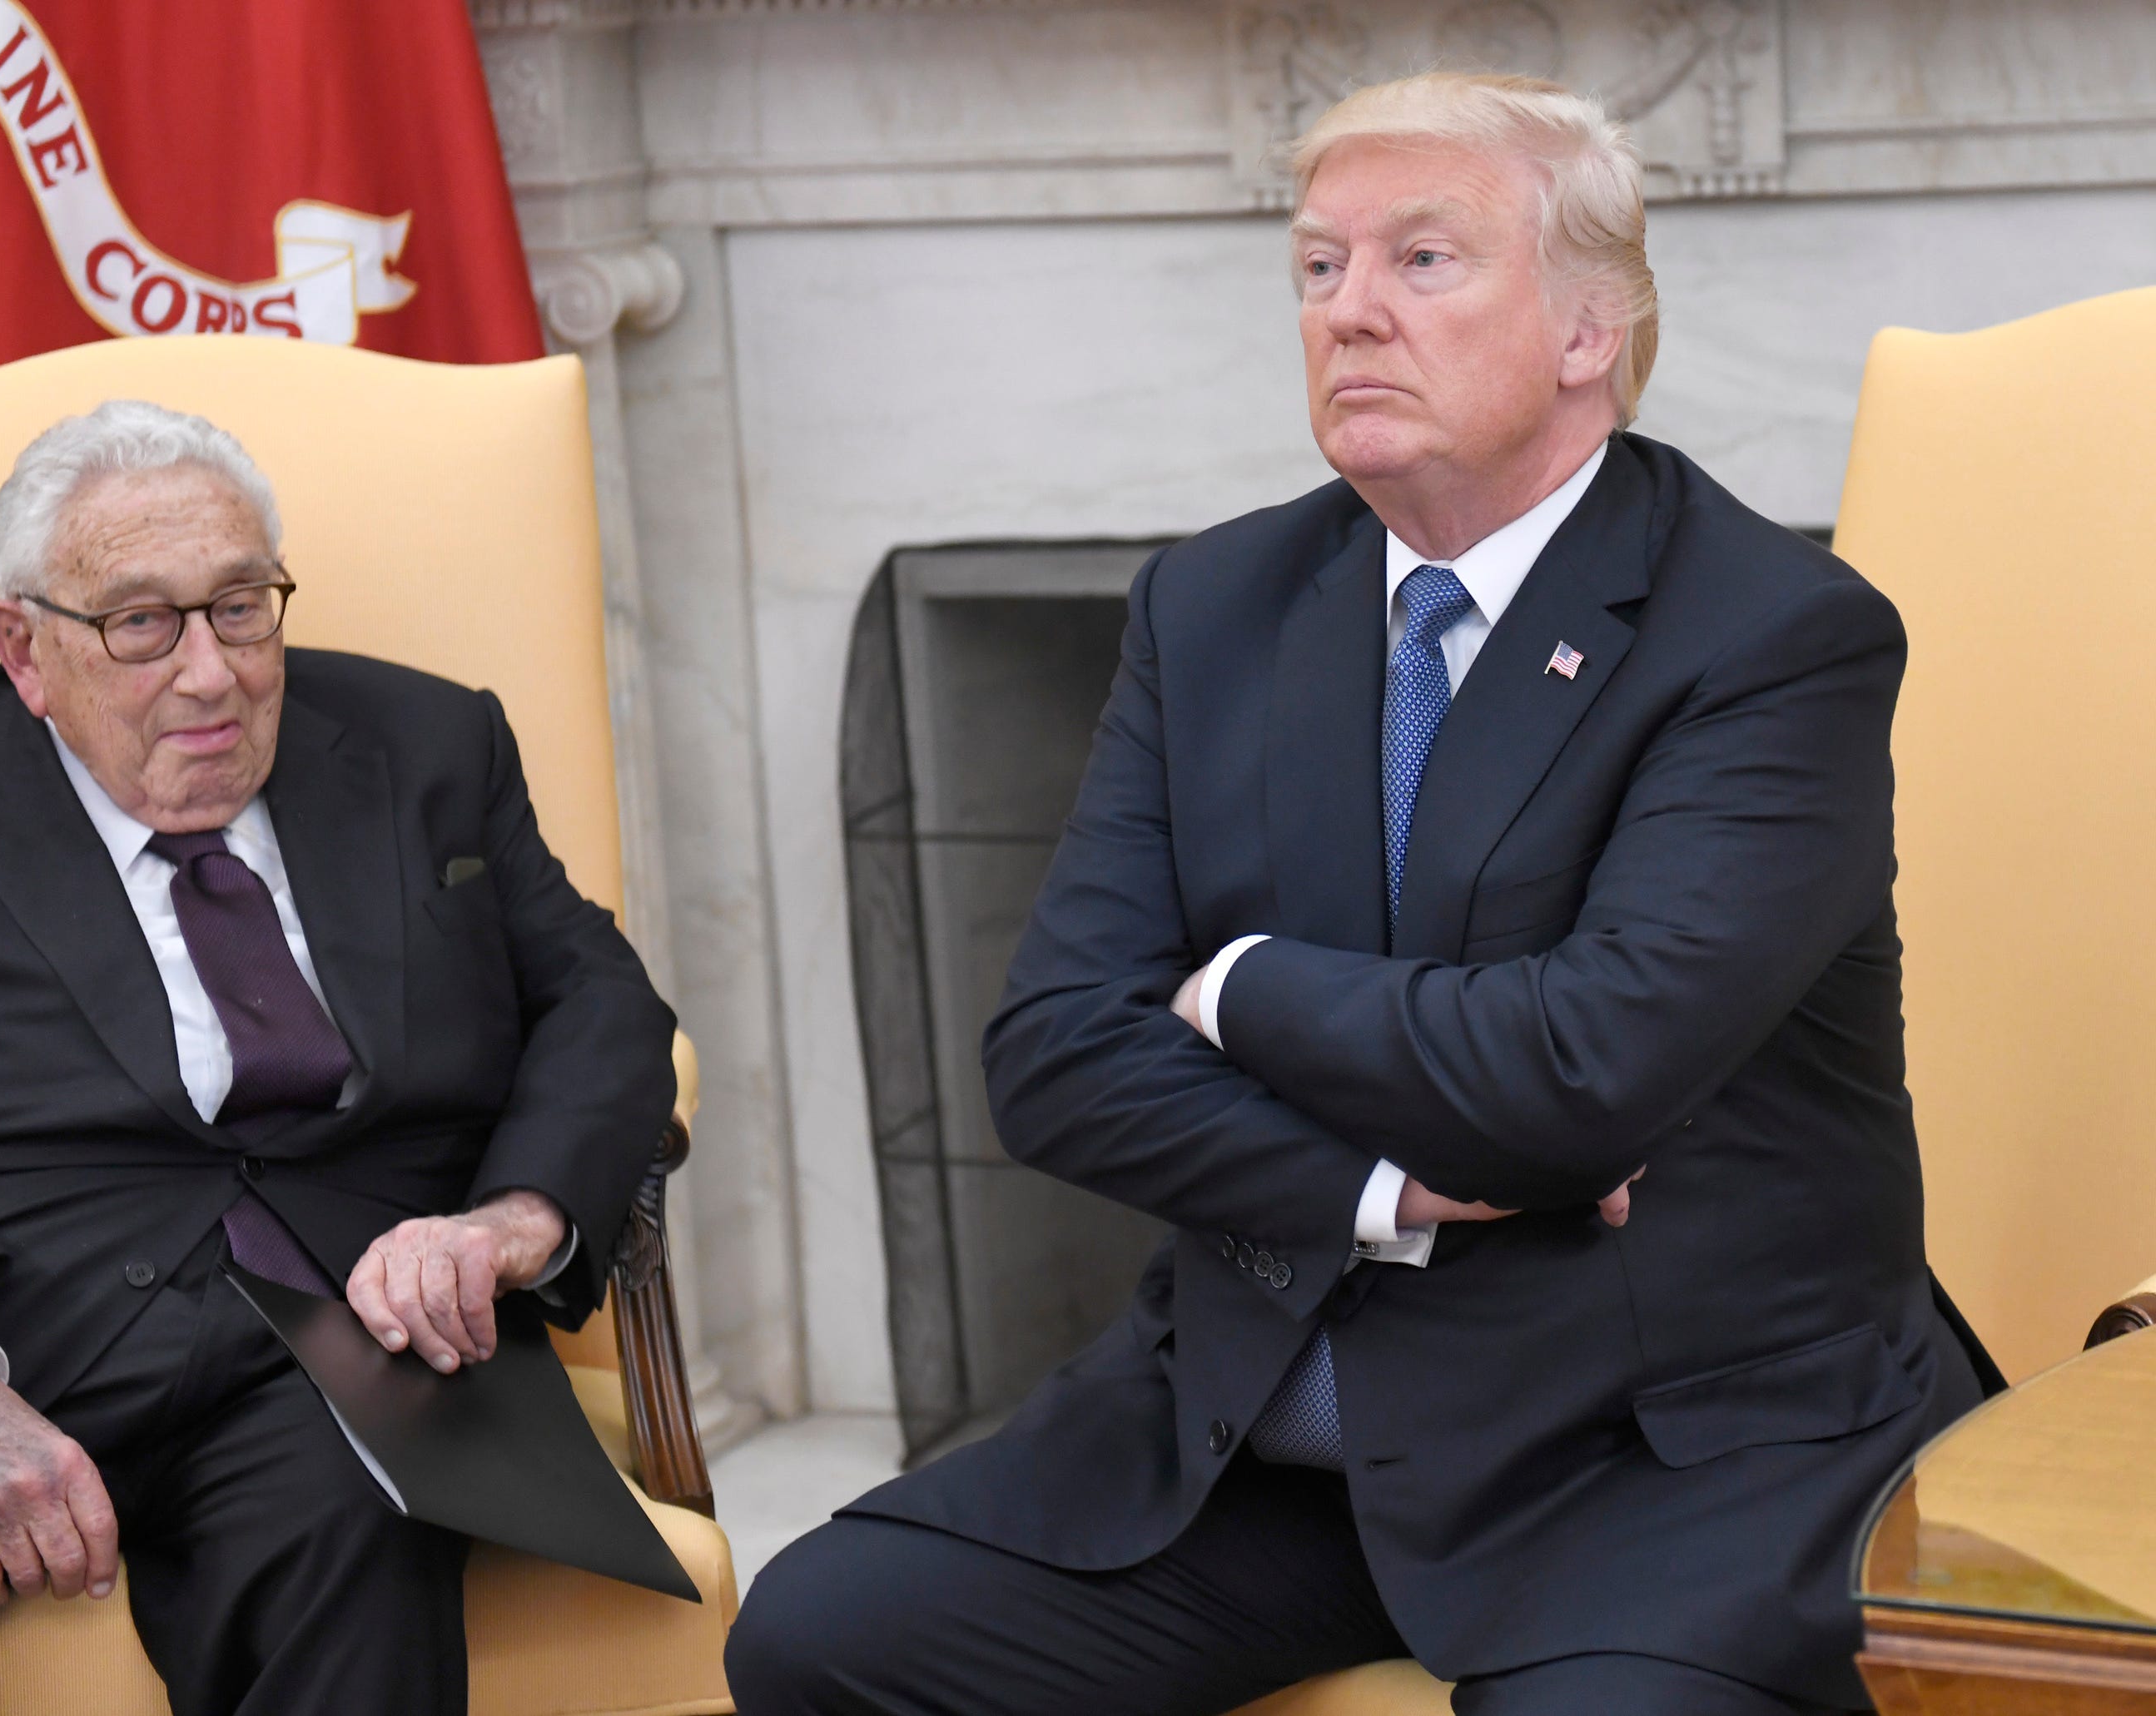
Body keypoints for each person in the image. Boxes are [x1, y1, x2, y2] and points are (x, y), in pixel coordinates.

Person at [727, 72, 1995, 1716]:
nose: (1351, 314)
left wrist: (1237, 985)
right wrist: (1388, 1186)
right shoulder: (1216, 602)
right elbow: (1053, 1052)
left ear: (1588, 331)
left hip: (1657, 1450)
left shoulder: (1773, 634)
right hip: (1260, 1423)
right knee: (821, 1634)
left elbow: (1579, 1074)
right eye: (1319, 268)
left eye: (1421, 260)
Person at [0, 400, 677, 1716]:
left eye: (242, 606)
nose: (212, 673)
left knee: (363, 1557)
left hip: (321, 1334)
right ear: (24, 649)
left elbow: (601, 1002)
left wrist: (510, 1219)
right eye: (141, 623)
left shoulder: (430, 746)